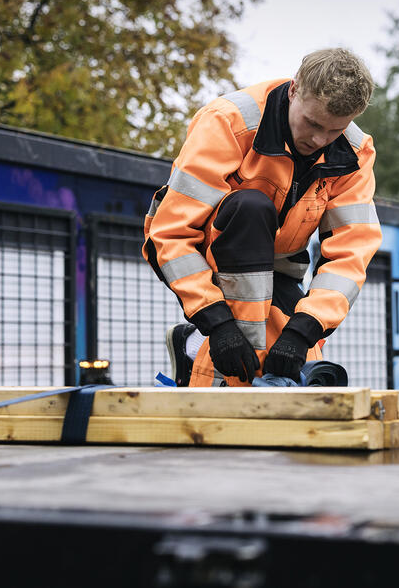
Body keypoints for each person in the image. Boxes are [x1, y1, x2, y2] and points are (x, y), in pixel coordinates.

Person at [143, 48, 381, 387]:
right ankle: (220, 367)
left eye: (334, 131)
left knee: (296, 365)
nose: (319, 140)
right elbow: (172, 233)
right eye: (312, 123)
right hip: (201, 249)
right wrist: (218, 323)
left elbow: (350, 256)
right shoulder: (228, 121)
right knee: (251, 207)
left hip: (279, 263)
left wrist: (304, 330)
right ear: (295, 89)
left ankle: (193, 349)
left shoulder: (356, 154)